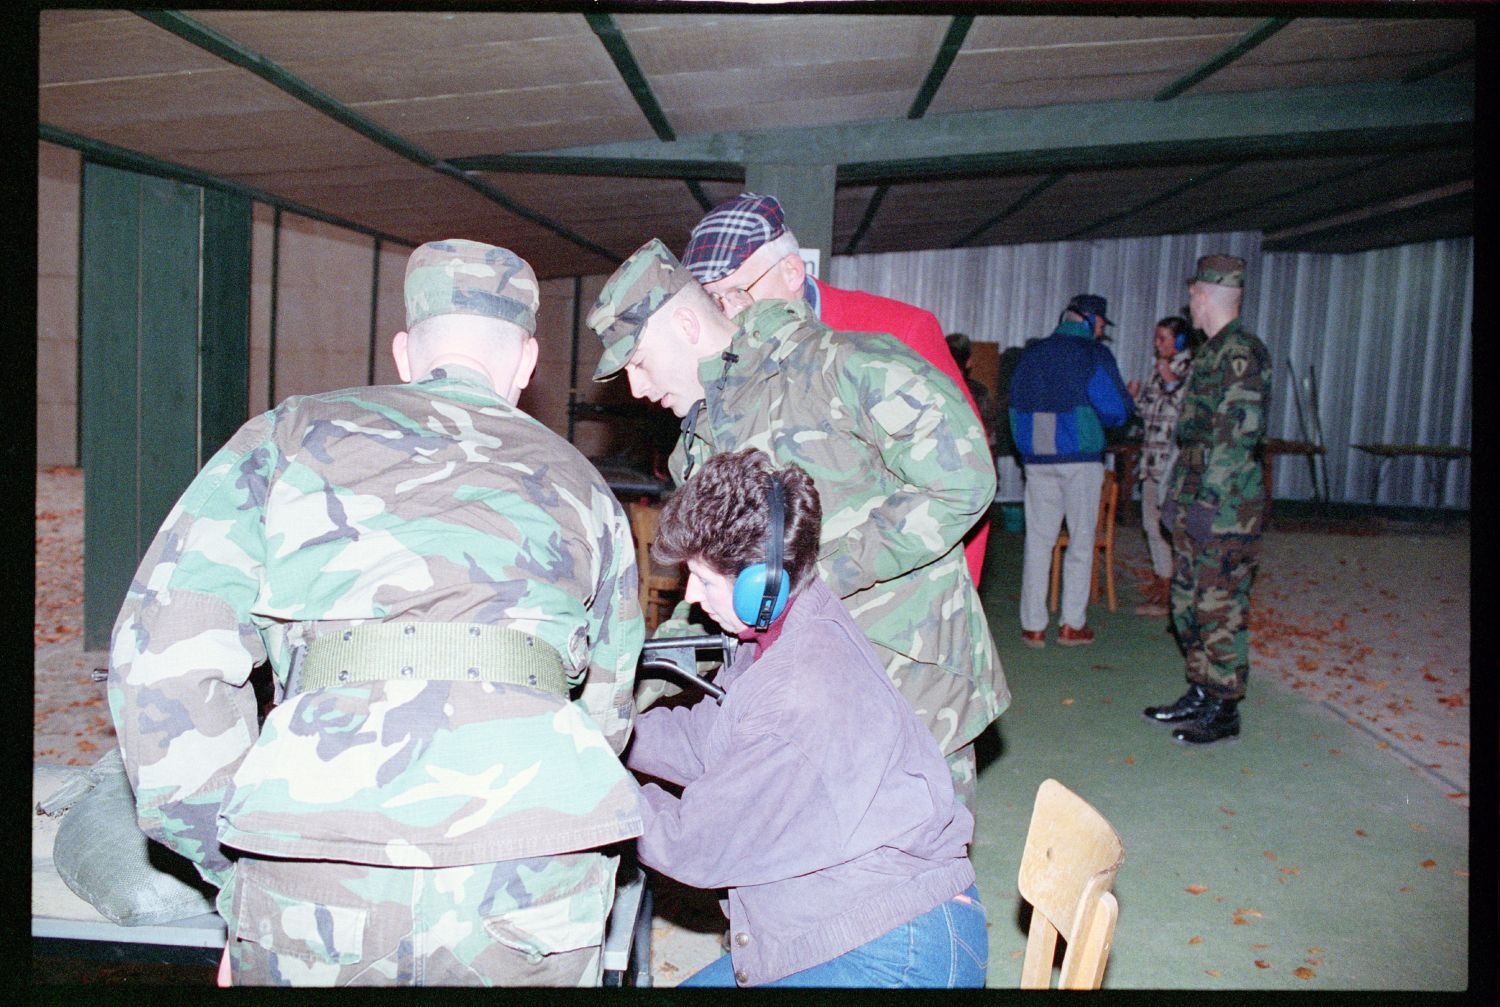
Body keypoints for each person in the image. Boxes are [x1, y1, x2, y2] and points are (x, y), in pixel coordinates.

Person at [107, 239, 645, 986]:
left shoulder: (284, 439)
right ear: (527, 362)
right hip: (529, 871)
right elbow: (610, 709)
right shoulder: (586, 487)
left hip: (317, 855)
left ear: (404, 351)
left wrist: (236, 867)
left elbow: (162, 666)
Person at [587, 238, 1005, 808]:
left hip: (904, 687)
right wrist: (624, 687)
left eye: (637, 361)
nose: (637, 388)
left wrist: (805, 575)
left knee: (908, 880)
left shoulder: (844, 367)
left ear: (686, 324)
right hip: (796, 692)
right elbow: (722, 587)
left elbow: (963, 481)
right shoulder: (701, 443)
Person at [628, 448, 987, 988]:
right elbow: (711, 737)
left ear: (761, 584)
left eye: (703, 579)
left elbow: (690, 846)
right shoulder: (792, 623)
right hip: (869, 922)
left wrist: (593, 777)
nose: (692, 597)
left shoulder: (796, 692)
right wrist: (610, 734)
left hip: (895, 952)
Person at [680, 192, 991, 586]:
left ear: (793, 272)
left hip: (894, 597)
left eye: (740, 292)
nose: (731, 313)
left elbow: (963, 475)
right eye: (713, 300)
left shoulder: (896, 331)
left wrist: (964, 590)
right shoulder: (729, 358)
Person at [1143, 255, 1271, 746]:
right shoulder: (1211, 351)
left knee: (1219, 605)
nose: (1189, 302)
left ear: (1203, 294)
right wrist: (1178, 495)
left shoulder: (1240, 354)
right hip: (1201, 493)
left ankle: (1224, 708)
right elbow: (1193, 440)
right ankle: (1201, 689)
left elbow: (1236, 439)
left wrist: (1207, 502)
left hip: (1228, 505)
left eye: (1192, 294)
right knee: (1188, 599)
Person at [1008, 293, 1134, 648]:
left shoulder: (1030, 355)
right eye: (1100, 325)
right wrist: (1128, 402)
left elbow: (1013, 407)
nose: (1101, 331)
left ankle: (1033, 626)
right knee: (1081, 541)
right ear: (1091, 320)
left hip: (1037, 460)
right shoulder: (1093, 354)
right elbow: (1116, 411)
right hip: (1080, 457)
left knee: (1039, 542)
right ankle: (1071, 625)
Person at [1126, 316, 1193, 617]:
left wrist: (1170, 380)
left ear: (1179, 342)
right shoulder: (1159, 371)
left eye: (1163, 339)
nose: (1157, 344)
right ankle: (1162, 581)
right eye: (1157, 338)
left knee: (1169, 526)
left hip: (1173, 463)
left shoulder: (1191, 369)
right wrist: (1134, 398)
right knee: (1151, 525)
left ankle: (1176, 589)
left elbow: (1185, 407)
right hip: (1151, 460)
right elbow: (1149, 413)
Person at [945, 332, 1003, 460]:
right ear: (969, 362)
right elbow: (989, 438)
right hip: (973, 463)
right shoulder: (979, 392)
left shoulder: (932, 386)